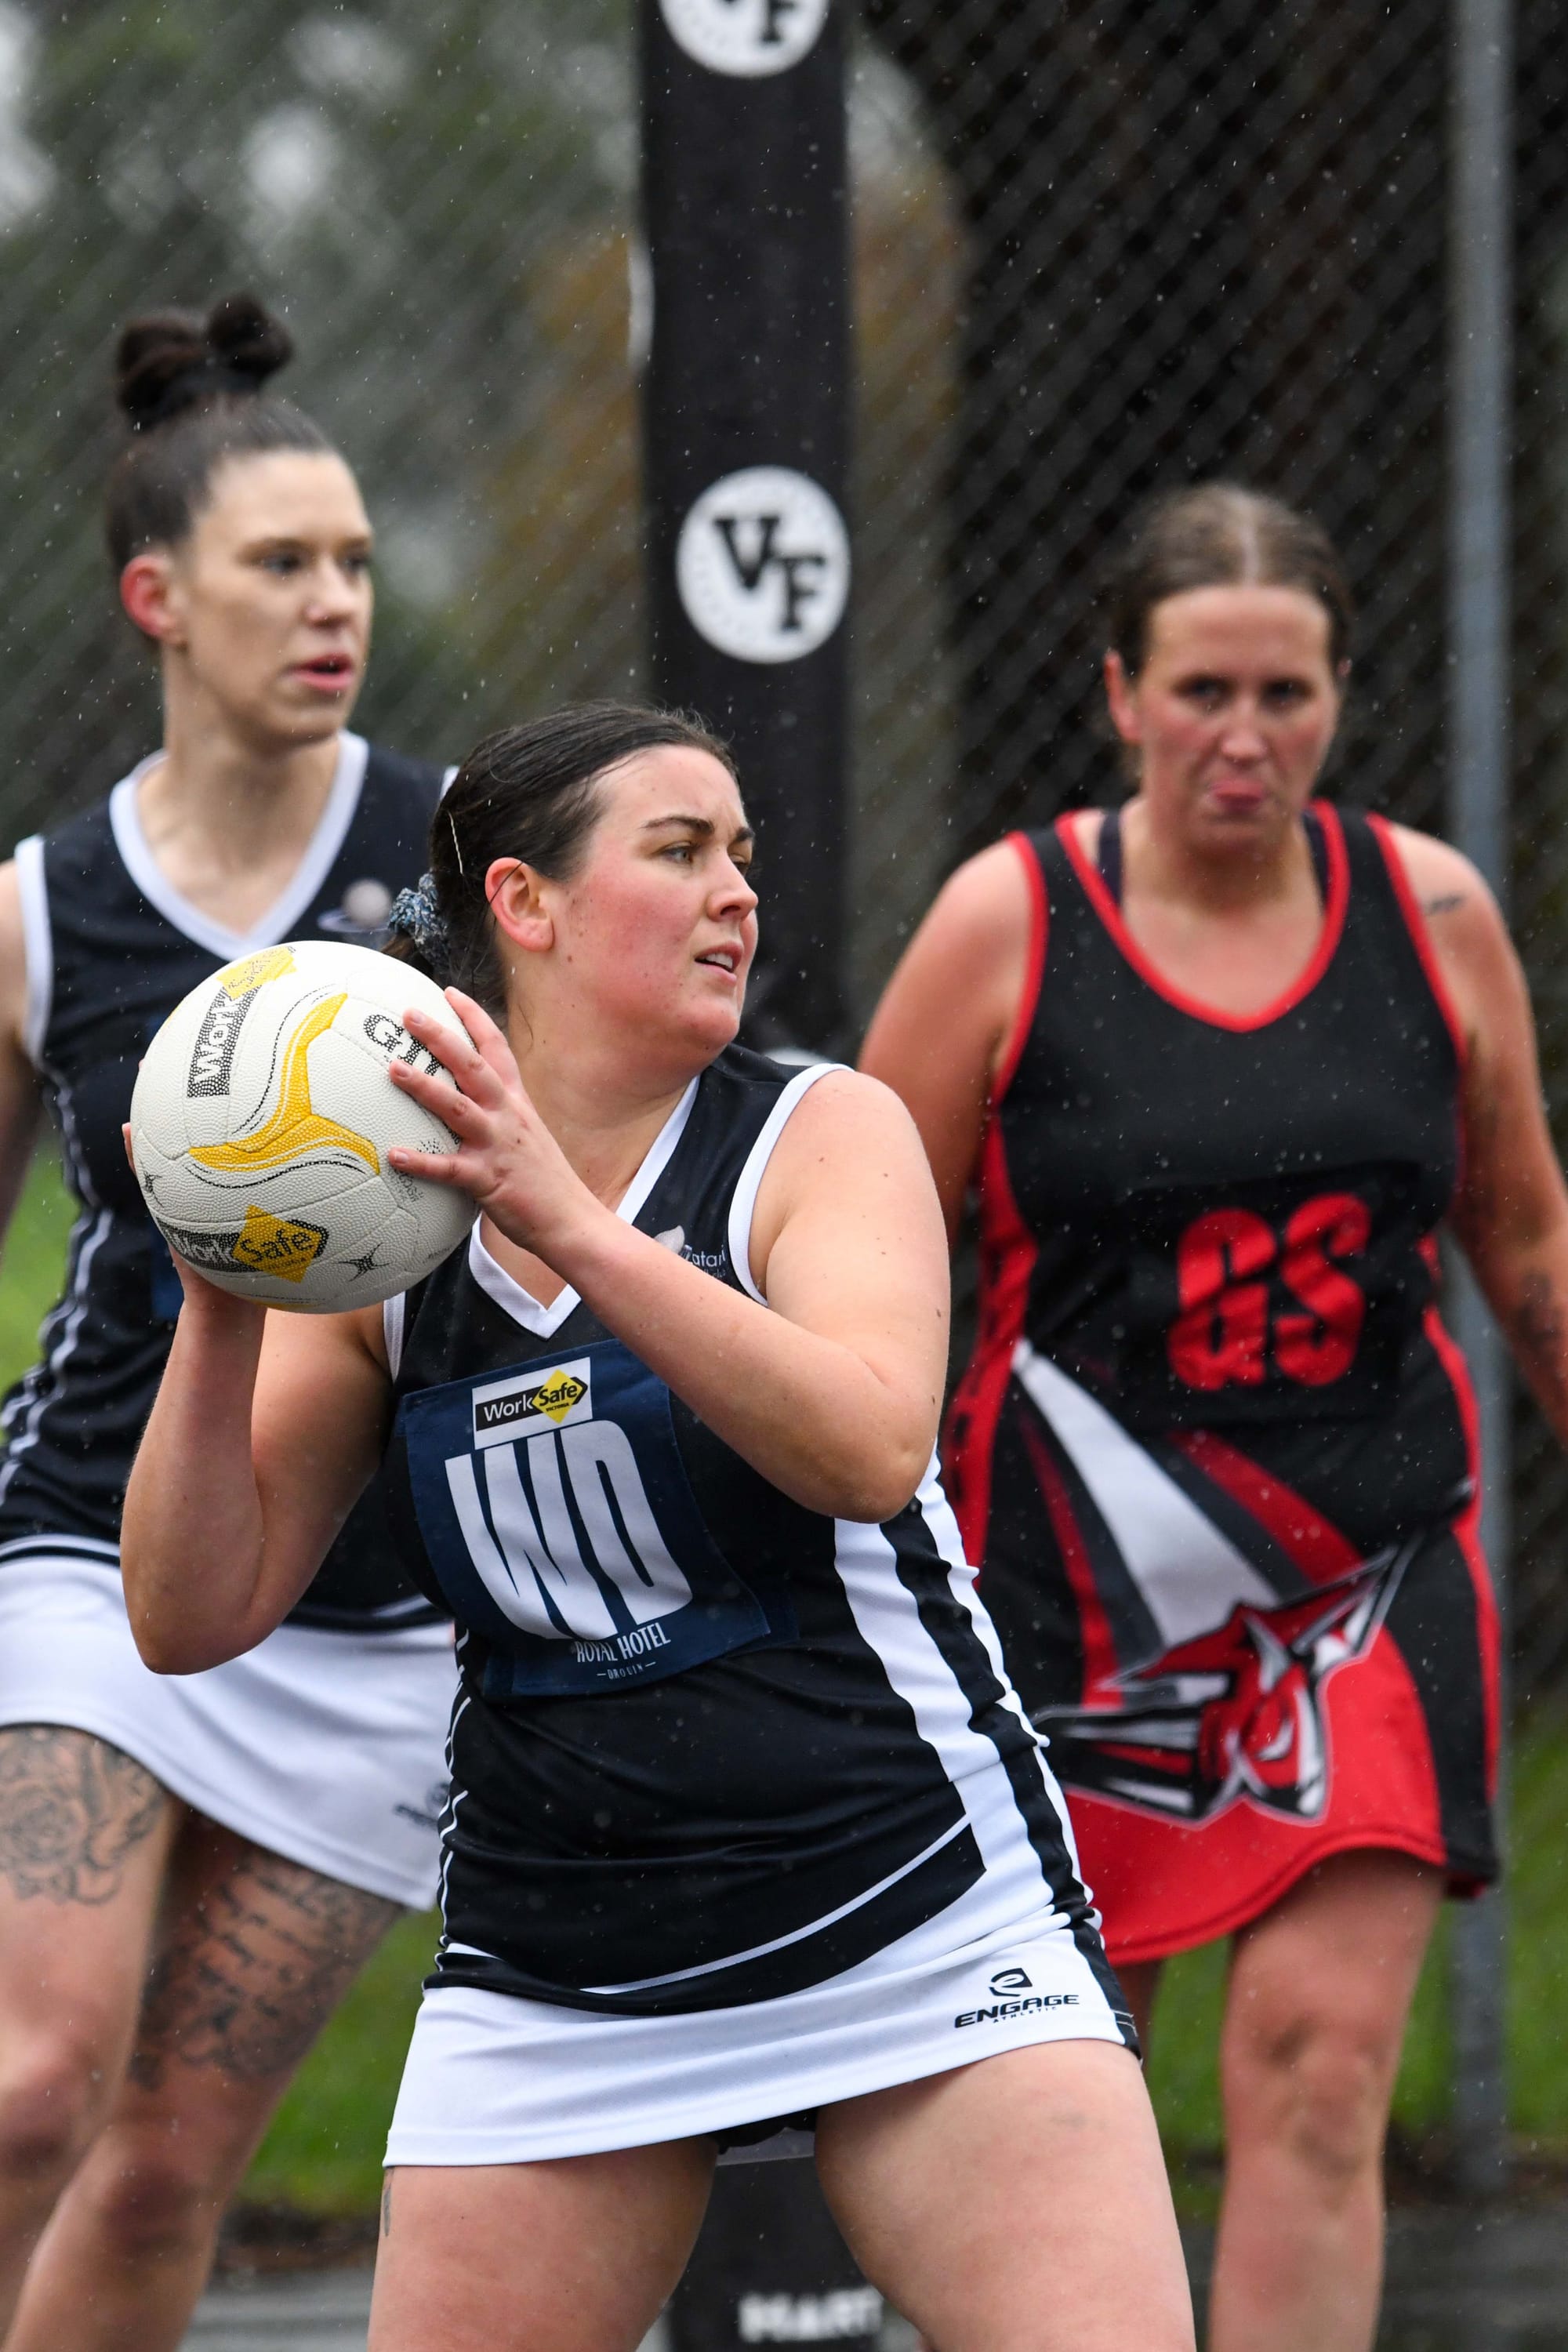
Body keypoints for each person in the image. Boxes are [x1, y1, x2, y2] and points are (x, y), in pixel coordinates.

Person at [121, 702, 1195, 2352]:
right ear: (525, 904)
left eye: (744, 856)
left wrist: (569, 1223)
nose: (736, 894)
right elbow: (186, 1616)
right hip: (567, 1958)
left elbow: (864, 1442)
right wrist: (219, 1307)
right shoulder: (386, 1229)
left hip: (905, 1904)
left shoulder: (812, 1135)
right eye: (680, 852)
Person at [858, 481, 1568, 2352]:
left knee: (1319, 2076)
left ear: (1339, 700)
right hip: (1058, 1598)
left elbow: (1524, 1235)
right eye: (1200, 692)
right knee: (1061, 2108)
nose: (1241, 737)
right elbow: (846, 1243)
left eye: (1285, 693)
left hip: (1361, 1575)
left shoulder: (1430, 915)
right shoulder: (1008, 926)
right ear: (1120, 693)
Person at [0, 293, 457, 2350]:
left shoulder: (460, 871)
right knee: (26, 2095)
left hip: (370, 1607)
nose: (334, 599)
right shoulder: (43, 907)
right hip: (98, 1540)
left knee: (176, 2162)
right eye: (285, 563)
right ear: (157, 598)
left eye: (355, 559)